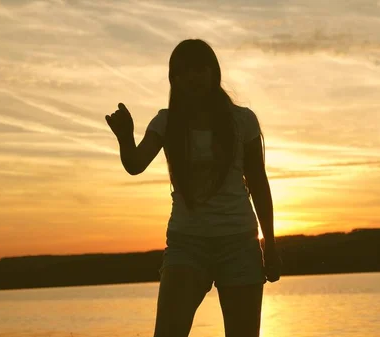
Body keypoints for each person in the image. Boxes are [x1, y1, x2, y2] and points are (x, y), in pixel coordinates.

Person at [105, 39, 282, 337]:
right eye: (184, 72)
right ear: (174, 80)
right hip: (187, 245)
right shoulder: (166, 121)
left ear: (214, 73)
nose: (193, 77)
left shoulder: (243, 121)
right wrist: (125, 138)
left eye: (200, 69)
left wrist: (271, 247)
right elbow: (135, 164)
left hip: (240, 243)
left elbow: (259, 185)